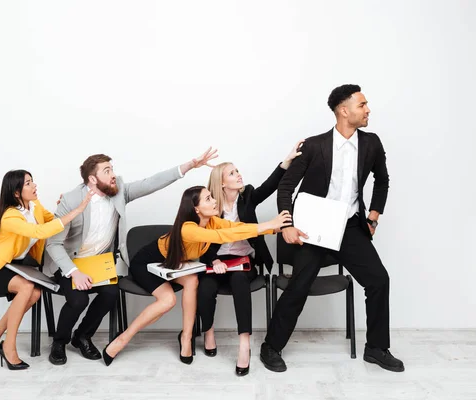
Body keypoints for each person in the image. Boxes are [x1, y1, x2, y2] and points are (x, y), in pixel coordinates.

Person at [260, 84, 404, 373]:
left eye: (366, 105)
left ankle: (376, 348)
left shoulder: (371, 143)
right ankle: (271, 347)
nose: (368, 110)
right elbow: (287, 186)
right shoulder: (314, 145)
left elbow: (382, 180)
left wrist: (373, 216)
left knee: (378, 280)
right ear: (343, 110)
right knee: (299, 286)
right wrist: (286, 224)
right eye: (362, 105)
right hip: (313, 227)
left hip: (350, 225)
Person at [45, 148, 218, 365]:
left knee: (110, 293)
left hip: (99, 263)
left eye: (112, 169)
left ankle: (82, 336)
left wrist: (190, 165)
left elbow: (152, 183)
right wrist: (74, 272)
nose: (113, 174)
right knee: (78, 299)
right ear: (92, 178)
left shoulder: (118, 191)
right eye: (107, 171)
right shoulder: (70, 200)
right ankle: (59, 342)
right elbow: (53, 243)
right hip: (71, 263)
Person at [102, 185, 292, 366]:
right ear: (196, 209)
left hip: (174, 266)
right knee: (168, 300)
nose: (214, 200)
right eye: (208, 199)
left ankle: (186, 337)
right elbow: (223, 237)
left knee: (193, 280)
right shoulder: (188, 228)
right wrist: (268, 224)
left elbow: (235, 228)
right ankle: (123, 338)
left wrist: (276, 228)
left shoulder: (212, 221)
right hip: (147, 263)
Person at [197, 140, 304, 376]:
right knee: (204, 287)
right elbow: (201, 237)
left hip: (244, 263)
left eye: (237, 171)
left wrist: (286, 161)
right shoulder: (210, 206)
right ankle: (209, 331)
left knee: (239, 282)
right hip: (217, 263)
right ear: (222, 183)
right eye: (232, 173)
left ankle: (244, 343)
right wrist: (213, 260)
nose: (238, 175)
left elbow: (270, 186)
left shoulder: (249, 197)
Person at [0, 169, 92, 370]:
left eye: (32, 181)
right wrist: (77, 210)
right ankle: (8, 347)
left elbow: (52, 221)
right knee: (27, 288)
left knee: (35, 292)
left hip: (10, 266)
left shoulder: (34, 206)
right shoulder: (10, 216)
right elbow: (39, 231)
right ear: (16, 192)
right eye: (28, 183)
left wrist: (64, 207)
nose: (34, 186)